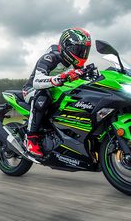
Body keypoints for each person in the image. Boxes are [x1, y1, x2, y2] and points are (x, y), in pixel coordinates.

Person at [22, 27, 91, 157]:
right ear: (66, 46)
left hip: (56, 91)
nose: (82, 54)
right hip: (32, 90)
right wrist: (61, 78)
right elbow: (37, 81)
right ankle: (30, 138)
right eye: (78, 50)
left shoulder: (77, 65)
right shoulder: (50, 57)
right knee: (44, 95)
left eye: (84, 51)